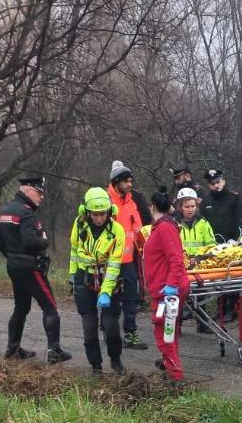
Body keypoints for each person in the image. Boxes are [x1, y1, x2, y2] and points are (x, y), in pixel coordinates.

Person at [0, 176, 70, 363]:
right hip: (30, 267)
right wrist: (44, 240)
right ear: (27, 191)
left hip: (14, 266)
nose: (41, 197)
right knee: (50, 307)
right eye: (39, 192)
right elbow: (30, 241)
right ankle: (54, 351)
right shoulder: (26, 213)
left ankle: (12, 349)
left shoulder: (6, 211)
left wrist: (12, 256)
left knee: (21, 307)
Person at [69, 187, 127, 375]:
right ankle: (95, 365)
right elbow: (74, 252)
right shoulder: (79, 225)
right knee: (89, 328)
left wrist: (105, 291)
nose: (99, 218)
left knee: (111, 327)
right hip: (84, 279)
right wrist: (73, 278)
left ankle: (116, 359)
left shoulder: (117, 230)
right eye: (95, 214)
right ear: (87, 212)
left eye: (103, 214)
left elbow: (115, 264)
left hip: (108, 280)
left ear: (109, 212)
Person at [142, 192, 191, 384]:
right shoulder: (161, 228)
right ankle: (169, 363)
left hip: (167, 291)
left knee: (164, 334)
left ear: (152, 206)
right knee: (169, 331)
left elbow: (176, 260)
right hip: (164, 288)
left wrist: (170, 286)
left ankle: (175, 376)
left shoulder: (164, 229)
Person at [107, 161, 153, 350]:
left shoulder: (132, 201)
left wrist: (145, 248)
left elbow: (138, 229)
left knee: (131, 297)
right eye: (126, 181)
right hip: (109, 260)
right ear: (116, 182)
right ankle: (110, 333)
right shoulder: (106, 201)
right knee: (111, 298)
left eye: (130, 181)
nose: (130, 184)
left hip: (129, 259)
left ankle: (130, 334)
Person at [199, 168, 242, 323]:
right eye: (213, 184)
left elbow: (240, 220)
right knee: (217, 280)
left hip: (231, 244)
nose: (216, 186)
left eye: (218, 182)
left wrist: (236, 241)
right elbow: (203, 223)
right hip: (214, 245)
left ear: (223, 181)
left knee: (232, 279)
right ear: (209, 185)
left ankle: (233, 309)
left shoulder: (233, 198)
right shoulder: (206, 201)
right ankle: (221, 309)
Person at [174, 187, 217, 332]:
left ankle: (203, 323)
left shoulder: (203, 223)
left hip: (199, 265)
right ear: (180, 207)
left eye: (193, 206)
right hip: (180, 265)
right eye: (187, 206)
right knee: (178, 295)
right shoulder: (174, 224)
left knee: (201, 293)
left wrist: (198, 257)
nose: (190, 209)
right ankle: (176, 325)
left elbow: (211, 245)